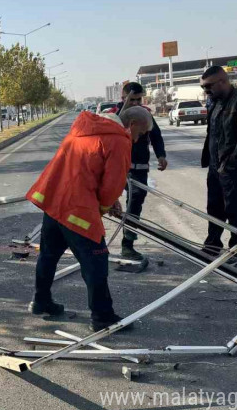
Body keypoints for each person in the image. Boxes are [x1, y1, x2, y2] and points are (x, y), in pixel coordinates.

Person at [26, 102, 154, 331]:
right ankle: (103, 317)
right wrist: (106, 205)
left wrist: (107, 201)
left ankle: (41, 301)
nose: (138, 139)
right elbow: (112, 184)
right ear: (132, 124)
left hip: (55, 201)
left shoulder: (84, 128)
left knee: (49, 255)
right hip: (78, 209)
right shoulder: (118, 140)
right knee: (96, 261)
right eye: (140, 133)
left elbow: (87, 168)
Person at [199, 66, 237, 259]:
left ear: (222, 82)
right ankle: (213, 245)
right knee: (214, 207)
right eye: (204, 88)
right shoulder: (215, 102)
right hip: (216, 166)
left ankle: (236, 250)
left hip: (233, 166)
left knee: (234, 208)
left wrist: (230, 164)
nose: (206, 91)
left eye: (208, 87)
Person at [113, 82, 167, 261]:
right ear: (123, 97)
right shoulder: (115, 116)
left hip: (139, 168)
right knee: (105, 203)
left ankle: (127, 245)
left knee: (134, 206)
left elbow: (155, 135)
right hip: (118, 168)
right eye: (131, 99)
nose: (136, 103)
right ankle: (95, 245)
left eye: (139, 99)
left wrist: (161, 155)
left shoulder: (144, 115)